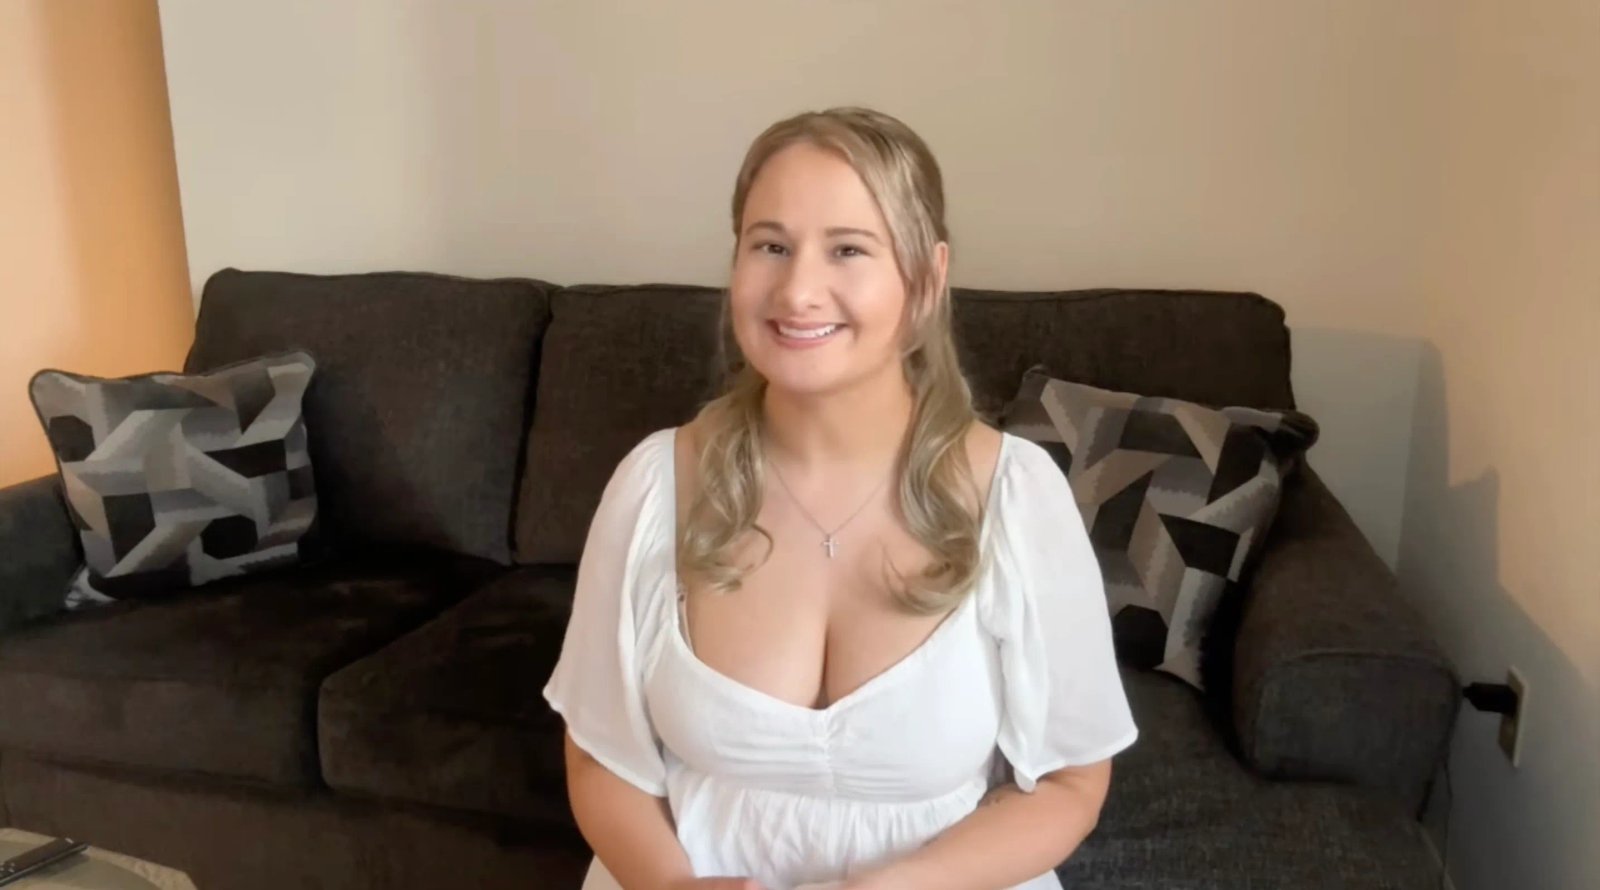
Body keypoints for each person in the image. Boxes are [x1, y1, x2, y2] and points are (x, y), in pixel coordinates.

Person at [542, 107, 1137, 890]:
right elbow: (597, 753)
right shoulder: (655, 484)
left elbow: (1071, 784)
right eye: (771, 246)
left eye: (848, 249)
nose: (797, 290)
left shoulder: (1017, 496)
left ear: (926, 276)